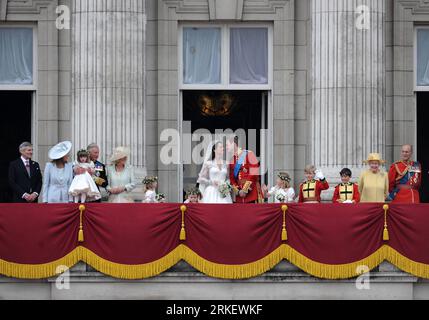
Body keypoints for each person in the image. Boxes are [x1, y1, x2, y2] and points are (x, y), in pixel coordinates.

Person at [227, 136, 264, 204]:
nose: (226, 147)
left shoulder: (249, 154)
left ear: (234, 144)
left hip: (252, 194)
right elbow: (232, 179)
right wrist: (238, 191)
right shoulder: (232, 159)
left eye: (228, 145)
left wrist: (245, 189)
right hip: (239, 197)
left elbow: (254, 173)